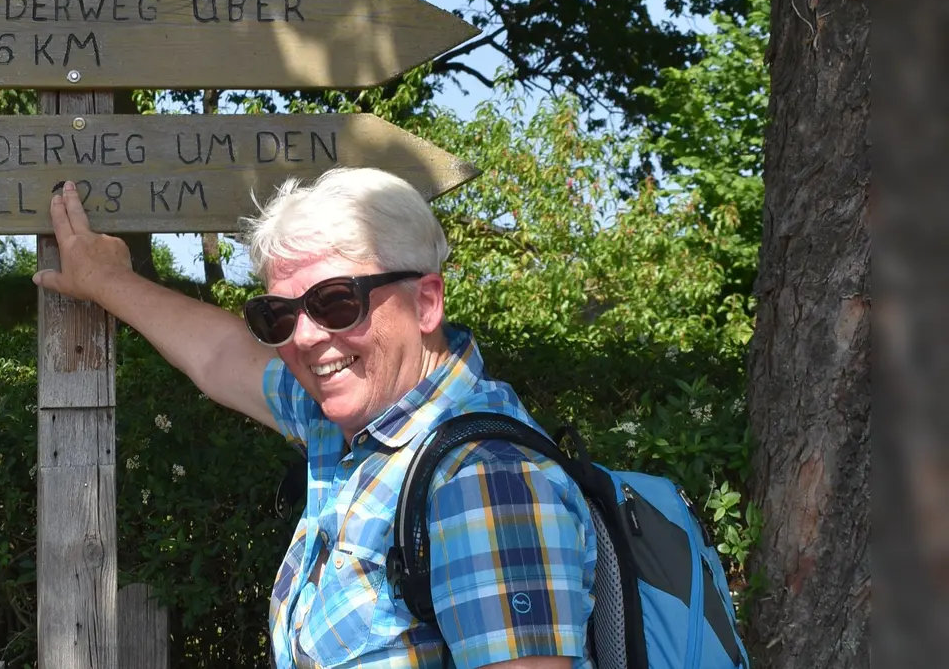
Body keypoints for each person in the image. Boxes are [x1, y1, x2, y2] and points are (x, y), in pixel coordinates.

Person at [32, 168, 597, 669]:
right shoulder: (348, 424)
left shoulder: (483, 482)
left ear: (426, 303)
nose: (305, 337)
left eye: (337, 302)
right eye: (278, 315)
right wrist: (104, 279)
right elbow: (220, 354)